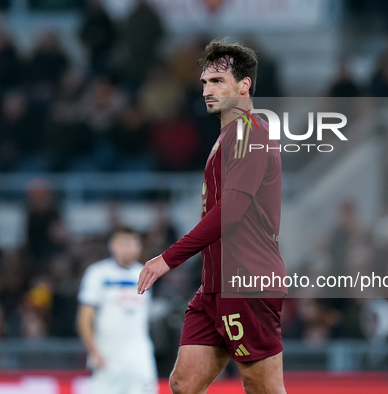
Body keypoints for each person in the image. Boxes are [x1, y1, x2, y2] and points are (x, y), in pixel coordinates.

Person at [138, 39, 287, 394]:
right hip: (216, 285)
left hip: (247, 281)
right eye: (204, 82)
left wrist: (167, 258)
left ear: (244, 85)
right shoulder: (227, 136)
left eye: (218, 81)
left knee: (261, 387)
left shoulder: (250, 133)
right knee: (184, 383)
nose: (207, 89)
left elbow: (231, 213)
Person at [78, 226, 158, 394]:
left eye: (132, 244)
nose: (127, 248)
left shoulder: (145, 273)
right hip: (107, 357)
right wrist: (93, 351)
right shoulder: (98, 273)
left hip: (139, 358)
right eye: (122, 243)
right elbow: (85, 317)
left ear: (139, 247)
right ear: (112, 246)